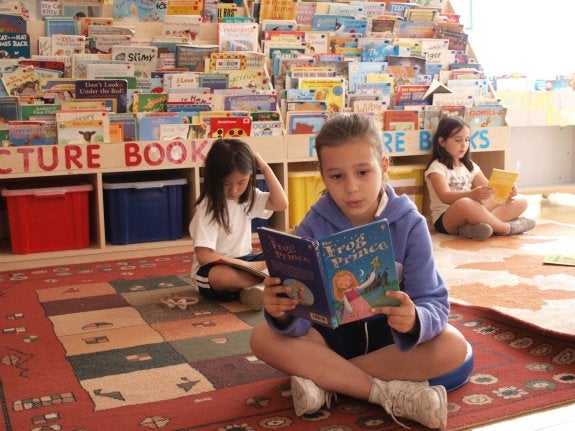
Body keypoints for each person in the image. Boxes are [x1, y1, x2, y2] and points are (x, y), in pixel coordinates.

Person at [250, 114, 471, 430]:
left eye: (363, 172)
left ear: (384, 166)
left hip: (390, 341)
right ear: (323, 176)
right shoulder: (311, 226)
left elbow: (434, 303)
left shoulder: (411, 224)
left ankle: (329, 383)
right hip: (332, 337)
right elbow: (300, 315)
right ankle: (384, 393)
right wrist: (283, 311)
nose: (351, 188)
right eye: (337, 176)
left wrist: (414, 319)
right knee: (262, 338)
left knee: (453, 345)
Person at [189, 138, 288, 310]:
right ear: (213, 178)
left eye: (241, 182)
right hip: (214, 268)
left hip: (246, 262)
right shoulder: (208, 208)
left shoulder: (248, 197)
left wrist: (264, 167)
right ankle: (267, 284)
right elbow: (204, 257)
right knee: (222, 277)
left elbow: (281, 204)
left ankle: (253, 288)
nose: (234, 190)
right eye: (226, 183)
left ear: (250, 176)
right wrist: (249, 266)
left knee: (284, 257)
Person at [425, 117, 535, 240]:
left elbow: (491, 190)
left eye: (467, 140)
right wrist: (472, 194)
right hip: (446, 219)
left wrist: (507, 191)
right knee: (465, 203)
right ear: (442, 142)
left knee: (521, 200)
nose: (464, 145)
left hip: (474, 210)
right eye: (457, 140)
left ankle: (473, 228)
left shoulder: (470, 165)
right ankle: (507, 228)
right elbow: (445, 196)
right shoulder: (436, 168)